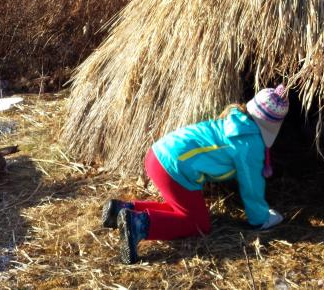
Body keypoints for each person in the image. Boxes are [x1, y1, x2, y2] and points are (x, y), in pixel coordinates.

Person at [101, 85, 289, 264]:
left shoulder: (235, 120)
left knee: (180, 207)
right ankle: (138, 224)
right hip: (174, 168)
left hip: (158, 154)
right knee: (197, 224)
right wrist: (261, 219)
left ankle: (122, 209)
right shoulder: (251, 143)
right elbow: (252, 185)